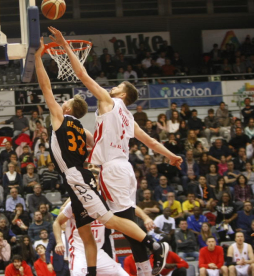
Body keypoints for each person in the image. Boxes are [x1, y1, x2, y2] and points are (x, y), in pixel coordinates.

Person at [46, 28, 180, 275]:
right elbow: (150, 142)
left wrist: (64, 46)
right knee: (128, 222)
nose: (113, 87)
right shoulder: (129, 118)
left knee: (121, 223)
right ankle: (143, 270)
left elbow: (82, 74)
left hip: (112, 169)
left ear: (123, 94)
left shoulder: (109, 102)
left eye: (117, 86)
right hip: (126, 170)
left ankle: (155, 245)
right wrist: (170, 155)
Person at [54, 200, 131, 276]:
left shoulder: (105, 202)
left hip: (98, 252)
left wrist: (143, 217)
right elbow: (57, 222)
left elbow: (129, 206)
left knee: (121, 273)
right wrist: (59, 242)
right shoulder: (74, 203)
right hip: (79, 252)